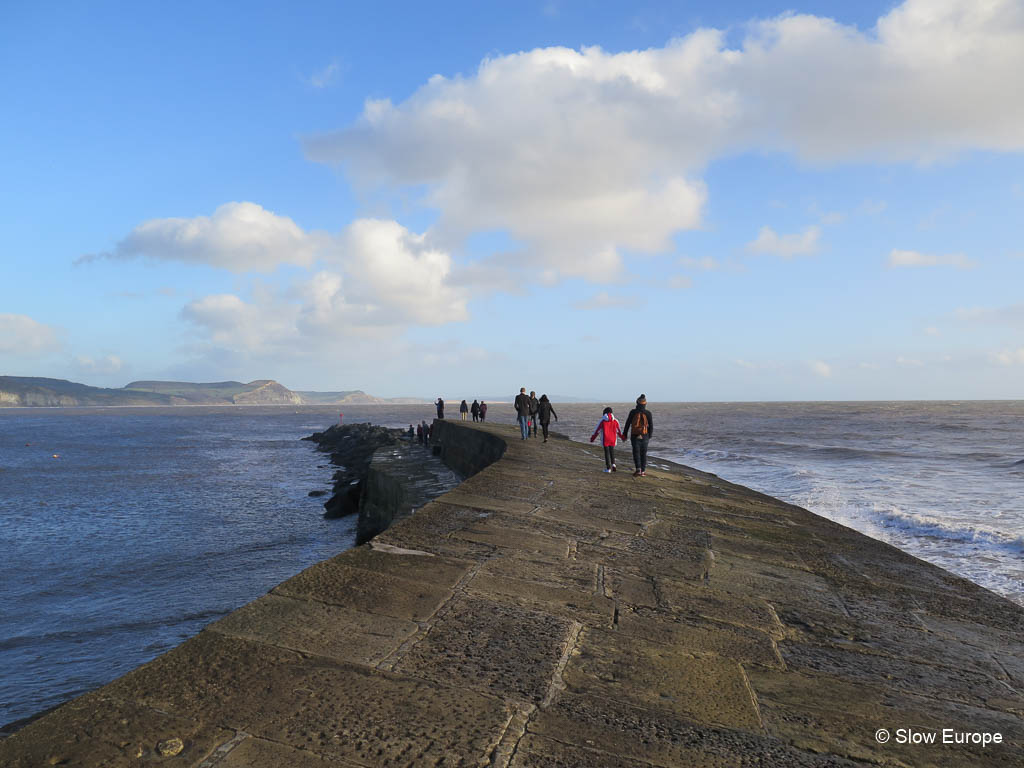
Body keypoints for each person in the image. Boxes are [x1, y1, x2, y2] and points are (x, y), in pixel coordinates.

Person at [621, 394, 654, 476]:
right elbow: (651, 426)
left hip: (634, 435)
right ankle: (643, 471)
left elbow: (627, 424)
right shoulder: (648, 413)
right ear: (645, 404)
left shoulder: (633, 412)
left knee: (636, 453)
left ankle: (638, 470)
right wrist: (649, 435)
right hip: (645, 435)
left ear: (637, 403)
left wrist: (624, 434)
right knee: (643, 453)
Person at [590, 407, 623, 472]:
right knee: (612, 451)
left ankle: (608, 468)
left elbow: (597, 430)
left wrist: (592, 438)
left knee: (607, 453)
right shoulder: (615, 420)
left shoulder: (602, 421)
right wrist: (622, 437)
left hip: (605, 439)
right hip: (613, 439)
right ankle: (613, 464)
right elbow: (618, 431)